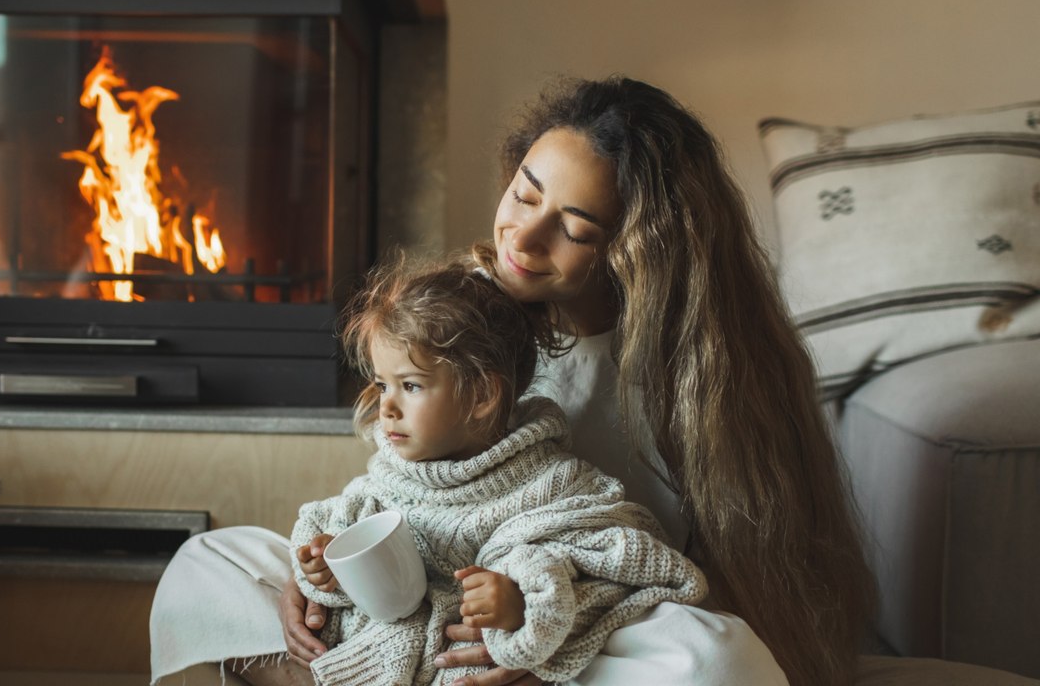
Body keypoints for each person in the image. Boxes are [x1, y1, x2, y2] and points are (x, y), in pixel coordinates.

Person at [150, 75, 874, 686]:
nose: (524, 238)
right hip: (428, 599)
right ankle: (338, 664)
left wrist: (543, 638)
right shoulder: (467, 316)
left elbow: (693, 579)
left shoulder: (701, 375)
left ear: (637, 248)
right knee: (208, 561)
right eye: (525, 195)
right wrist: (313, 579)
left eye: (576, 229)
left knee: (718, 657)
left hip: (580, 618)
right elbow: (402, 488)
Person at [289, 256, 707, 686]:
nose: (387, 407)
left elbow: (631, 561)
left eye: (410, 385)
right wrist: (325, 568)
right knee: (240, 555)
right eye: (382, 385)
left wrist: (525, 605)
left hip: (479, 668)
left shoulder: (553, 484)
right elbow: (340, 525)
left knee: (707, 651)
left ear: (482, 395)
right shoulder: (389, 476)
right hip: (386, 645)